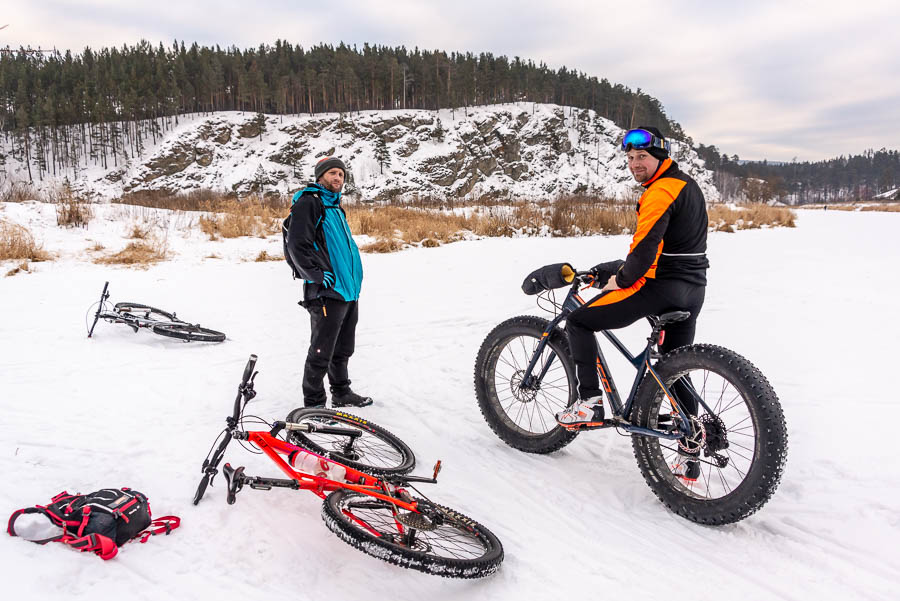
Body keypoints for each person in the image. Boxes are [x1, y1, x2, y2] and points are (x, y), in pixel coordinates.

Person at [555, 127, 709, 480]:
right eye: (629, 157)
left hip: (662, 288)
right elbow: (663, 247)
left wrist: (619, 280)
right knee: (675, 366)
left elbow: (643, 253)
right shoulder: (687, 185)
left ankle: (589, 403)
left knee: (579, 321)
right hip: (693, 287)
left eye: (642, 157)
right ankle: (689, 456)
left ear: (660, 157)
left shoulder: (660, 191)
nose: (634, 163)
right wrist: (611, 269)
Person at [285, 156, 373, 408]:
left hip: (347, 290)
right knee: (321, 350)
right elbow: (297, 245)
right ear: (320, 176)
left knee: (343, 347)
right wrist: (315, 275)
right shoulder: (309, 203)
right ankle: (314, 404)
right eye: (332, 173)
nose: (337, 178)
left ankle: (341, 392)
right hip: (326, 290)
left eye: (341, 174)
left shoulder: (334, 206)